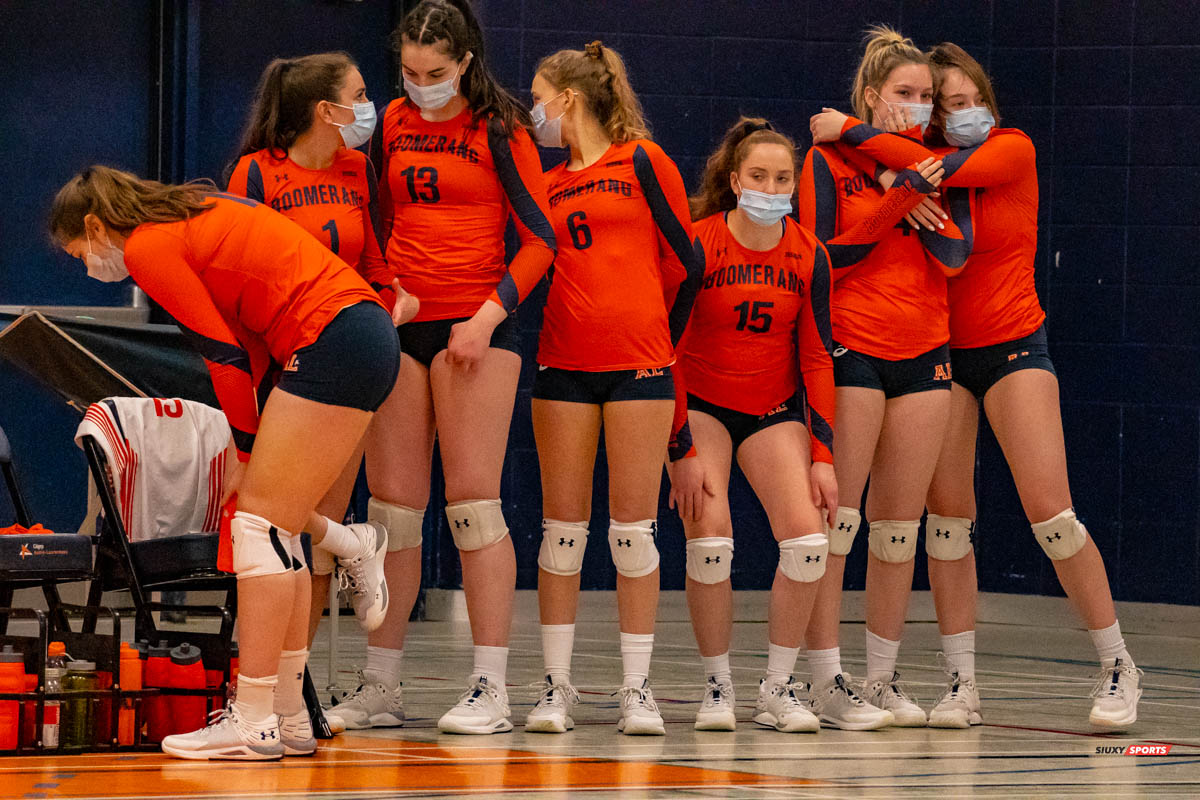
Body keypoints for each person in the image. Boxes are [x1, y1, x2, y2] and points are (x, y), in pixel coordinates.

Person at [809, 42, 1142, 731]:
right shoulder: (924, 174)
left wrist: (846, 128)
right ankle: (960, 683)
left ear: (988, 103)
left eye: (965, 101)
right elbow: (894, 188)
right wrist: (876, 161)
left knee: (1053, 517)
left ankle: (1117, 664)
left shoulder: (1009, 149)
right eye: (942, 103)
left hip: (1016, 345)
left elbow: (920, 162)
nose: (954, 113)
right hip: (942, 358)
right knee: (946, 525)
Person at [49, 166, 400, 759]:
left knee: (256, 524)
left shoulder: (146, 246)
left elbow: (225, 356)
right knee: (277, 523)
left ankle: (252, 717)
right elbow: (253, 343)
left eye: (80, 251)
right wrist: (251, 442)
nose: (89, 265)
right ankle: (286, 714)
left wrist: (242, 449)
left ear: (94, 224)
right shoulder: (191, 222)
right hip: (354, 336)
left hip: (332, 337)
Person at [327, 0, 555, 735]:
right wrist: (382, 289)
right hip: (404, 328)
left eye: (434, 72)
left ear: (464, 62)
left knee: (473, 504)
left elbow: (540, 241)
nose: (420, 83)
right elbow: (380, 217)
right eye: (409, 71)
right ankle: (381, 686)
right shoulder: (390, 121)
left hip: (478, 328)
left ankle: (492, 687)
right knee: (393, 513)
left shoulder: (500, 127)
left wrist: (487, 317)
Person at [522, 40, 703, 736]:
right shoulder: (547, 179)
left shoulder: (642, 160)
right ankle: (555, 687)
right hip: (562, 367)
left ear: (567, 97)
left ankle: (637, 689)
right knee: (562, 536)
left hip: (641, 369)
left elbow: (687, 262)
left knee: (634, 534)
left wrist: (658, 339)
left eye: (539, 95)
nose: (534, 110)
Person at [798, 25, 970, 729]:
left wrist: (914, 182)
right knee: (838, 522)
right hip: (854, 348)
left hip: (925, 349)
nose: (919, 107)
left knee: (899, 529)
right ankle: (823, 678)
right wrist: (897, 198)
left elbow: (956, 255)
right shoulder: (824, 161)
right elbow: (825, 259)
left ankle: (879, 679)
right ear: (871, 96)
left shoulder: (934, 162)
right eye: (905, 94)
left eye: (926, 97)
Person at [226, 52, 420, 657]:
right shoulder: (255, 173)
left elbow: (374, 261)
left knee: (312, 539)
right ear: (324, 109)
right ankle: (260, 687)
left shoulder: (358, 168)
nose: (370, 106)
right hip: (281, 366)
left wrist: (388, 300)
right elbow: (237, 281)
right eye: (359, 95)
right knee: (273, 528)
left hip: (340, 361)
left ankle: (294, 687)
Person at [668, 116, 842, 734]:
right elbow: (671, 349)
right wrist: (680, 444)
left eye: (783, 177)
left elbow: (818, 357)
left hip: (772, 411)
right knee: (711, 541)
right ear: (735, 179)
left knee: (808, 540)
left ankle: (776, 687)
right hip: (704, 408)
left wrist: (823, 454)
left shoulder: (809, 254)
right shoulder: (698, 243)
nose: (772, 186)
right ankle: (718, 687)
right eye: (759, 176)